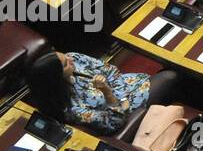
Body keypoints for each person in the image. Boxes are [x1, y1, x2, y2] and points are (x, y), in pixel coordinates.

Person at [27, 51, 178, 135]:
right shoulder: (73, 108)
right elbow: (114, 122)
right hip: (129, 110)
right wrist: (108, 93)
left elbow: (110, 70)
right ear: (56, 77)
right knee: (171, 76)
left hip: (128, 88)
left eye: (64, 56)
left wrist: (121, 95)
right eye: (65, 63)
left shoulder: (75, 58)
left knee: (174, 72)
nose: (70, 58)